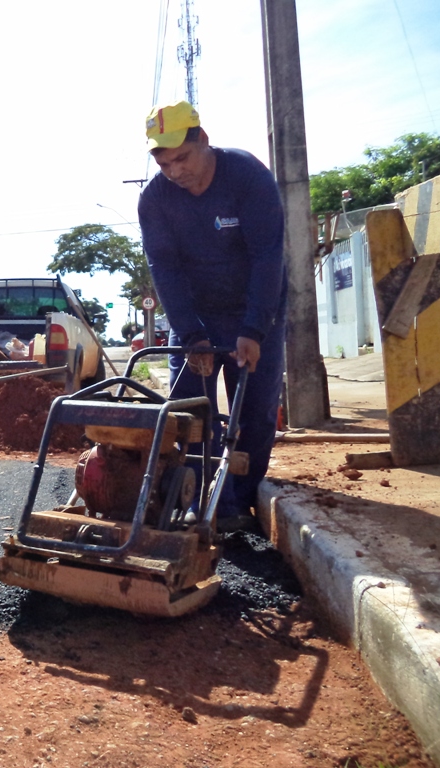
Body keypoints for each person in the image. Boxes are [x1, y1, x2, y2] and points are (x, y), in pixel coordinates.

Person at [137, 100, 286, 531]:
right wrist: (190, 335)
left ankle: (240, 500)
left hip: (255, 309)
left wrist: (255, 328)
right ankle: (199, 499)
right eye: (164, 164)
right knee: (189, 409)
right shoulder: (156, 201)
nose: (175, 171)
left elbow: (267, 255)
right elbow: (165, 268)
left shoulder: (247, 176)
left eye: (181, 158)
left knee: (255, 410)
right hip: (198, 317)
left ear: (203, 139)